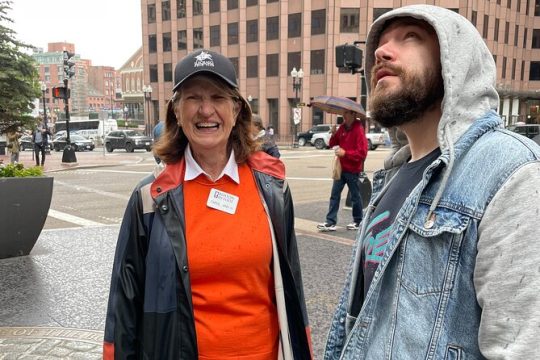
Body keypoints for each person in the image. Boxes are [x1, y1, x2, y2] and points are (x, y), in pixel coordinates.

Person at [325, 5, 540, 359]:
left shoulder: (512, 170)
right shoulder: (392, 174)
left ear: (457, 63)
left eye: (411, 37)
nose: (381, 50)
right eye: (380, 43)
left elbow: (523, 346)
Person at [103, 49, 312, 359]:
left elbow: (292, 290)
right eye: (193, 98)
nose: (205, 110)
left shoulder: (272, 188)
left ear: (237, 109)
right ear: (175, 110)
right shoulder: (150, 198)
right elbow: (124, 307)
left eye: (217, 97)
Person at [317, 109, 368, 232]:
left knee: (355, 196)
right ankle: (330, 222)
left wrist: (346, 153)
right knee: (334, 195)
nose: (343, 115)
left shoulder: (358, 130)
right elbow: (331, 144)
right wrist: (333, 134)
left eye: (346, 113)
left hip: (353, 169)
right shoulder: (342, 128)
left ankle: (358, 221)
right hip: (341, 168)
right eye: (343, 113)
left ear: (353, 114)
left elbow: (362, 153)